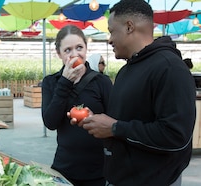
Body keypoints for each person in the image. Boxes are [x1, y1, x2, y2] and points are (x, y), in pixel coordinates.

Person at [75, 0, 196, 185]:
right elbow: (127, 118)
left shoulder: (169, 68)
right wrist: (99, 121)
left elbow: (175, 137)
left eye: (111, 31)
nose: (109, 40)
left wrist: (114, 127)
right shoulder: (127, 70)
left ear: (129, 27)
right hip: (121, 177)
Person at [41, 25, 112, 186]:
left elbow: (114, 119)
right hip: (63, 169)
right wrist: (65, 83)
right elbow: (50, 122)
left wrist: (96, 119)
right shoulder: (51, 82)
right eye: (67, 50)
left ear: (86, 49)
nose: (75, 54)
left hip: (97, 170)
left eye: (79, 47)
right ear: (59, 54)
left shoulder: (101, 82)